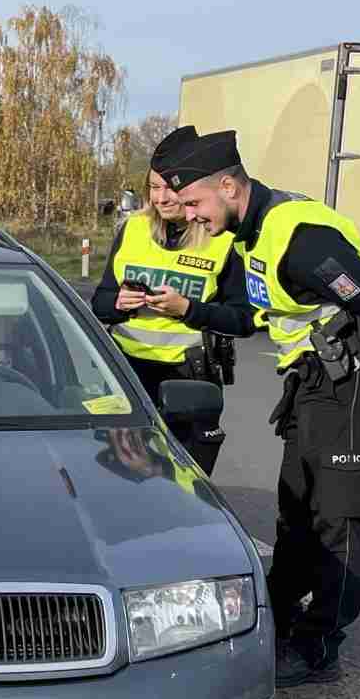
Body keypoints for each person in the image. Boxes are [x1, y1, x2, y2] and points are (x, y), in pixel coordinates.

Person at [164, 131, 360, 688]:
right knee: (296, 509)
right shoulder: (253, 236)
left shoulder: (299, 236)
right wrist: (191, 310)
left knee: (338, 515)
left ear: (227, 185)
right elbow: (252, 318)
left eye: (194, 203)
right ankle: (280, 618)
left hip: (355, 376)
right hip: (315, 379)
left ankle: (320, 646)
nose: (191, 216)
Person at [91, 125, 255, 475]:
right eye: (153, 187)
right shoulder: (132, 229)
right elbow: (100, 304)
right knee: (127, 478)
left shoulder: (223, 237)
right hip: (127, 373)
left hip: (190, 378)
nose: (161, 198)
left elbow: (244, 320)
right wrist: (120, 303)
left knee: (185, 482)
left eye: (171, 188)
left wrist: (189, 310)